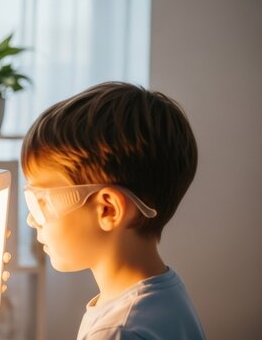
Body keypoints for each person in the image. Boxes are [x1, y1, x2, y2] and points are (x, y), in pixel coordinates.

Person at [21, 82, 206, 339]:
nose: (32, 219)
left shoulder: (119, 332)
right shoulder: (163, 292)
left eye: (42, 201)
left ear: (108, 209)